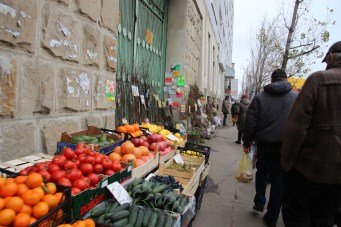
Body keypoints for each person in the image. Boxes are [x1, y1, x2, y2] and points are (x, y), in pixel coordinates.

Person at [281, 41, 341, 226]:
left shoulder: (319, 80)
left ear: (331, 56)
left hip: (307, 171)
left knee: (296, 216)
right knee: (324, 219)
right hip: (337, 180)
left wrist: (287, 164)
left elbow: (296, 128)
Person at [242, 69, 297, 227]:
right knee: (279, 181)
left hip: (264, 145)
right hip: (285, 146)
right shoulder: (296, 98)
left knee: (262, 172)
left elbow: (250, 123)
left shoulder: (260, 97)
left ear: (272, 80)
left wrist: (247, 142)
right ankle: (272, 217)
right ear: (286, 79)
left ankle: (259, 201)